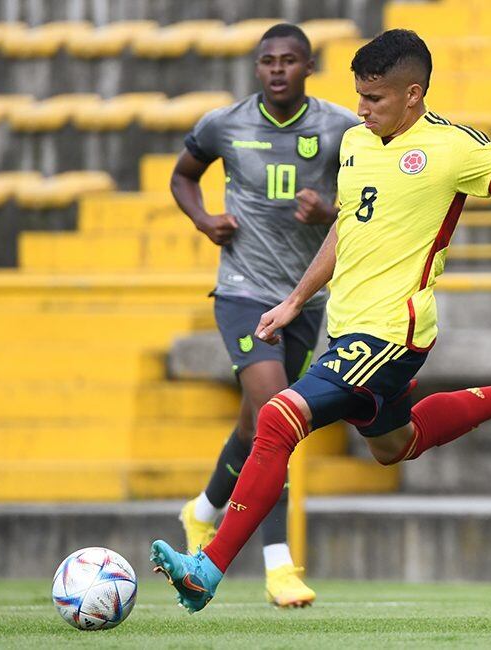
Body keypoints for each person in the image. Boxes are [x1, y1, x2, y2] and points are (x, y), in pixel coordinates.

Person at [151, 29, 491, 613]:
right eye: (358, 96)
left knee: (278, 417)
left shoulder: (456, 149)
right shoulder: (359, 144)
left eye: (376, 99)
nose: (361, 110)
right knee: (395, 442)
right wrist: (293, 300)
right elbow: (348, 228)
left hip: (391, 332)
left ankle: (207, 569)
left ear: (413, 94)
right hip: (346, 326)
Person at [169, 23, 358, 608]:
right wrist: (204, 220)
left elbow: (364, 205)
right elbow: (182, 175)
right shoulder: (225, 124)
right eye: (267, 61)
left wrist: (328, 211)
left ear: (308, 66)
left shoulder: (340, 130)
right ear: (258, 69)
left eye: (289, 60)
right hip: (244, 292)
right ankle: (278, 565)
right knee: (279, 415)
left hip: (305, 298)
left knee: (257, 426)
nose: (277, 69)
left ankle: (202, 511)